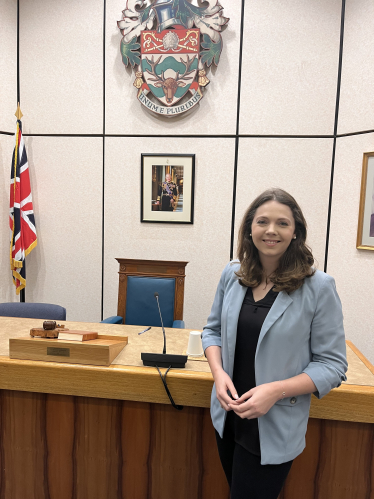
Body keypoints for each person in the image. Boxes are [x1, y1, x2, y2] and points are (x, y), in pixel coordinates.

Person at [202, 188, 347, 499]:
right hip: (228, 417)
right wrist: (218, 374)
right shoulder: (233, 273)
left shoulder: (318, 287)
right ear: (249, 229)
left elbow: (332, 365)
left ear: (296, 232)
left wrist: (274, 391)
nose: (271, 230)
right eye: (262, 221)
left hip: (274, 421)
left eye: (282, 223)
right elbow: (212, 331)